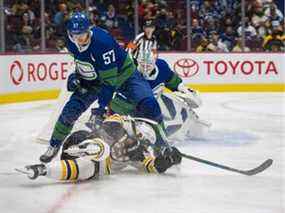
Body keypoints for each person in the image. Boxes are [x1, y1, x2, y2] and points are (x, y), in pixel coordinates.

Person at [39, 12, 166, 163]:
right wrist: (76, 76)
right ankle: (54, 145)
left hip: (124, 75)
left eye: (83, 35)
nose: (79, 39)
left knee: (149, 104)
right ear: (69, 34)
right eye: (75, 35)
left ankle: (163, 144)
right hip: (95, 78)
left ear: (89, 30)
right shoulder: (70, 42)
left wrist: (100, 109)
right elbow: (82, 61)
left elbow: (109, 82)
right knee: (70, 111)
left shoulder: (102, 43)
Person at [19, 114, 182, 181]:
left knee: (87, 169)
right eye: (137, 139)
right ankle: (86, 151)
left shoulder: (141, 152)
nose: (138, 144)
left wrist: (167, 161)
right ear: (135, 131)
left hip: (96, 164)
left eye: (143, 143)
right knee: (101, 148)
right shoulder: (122, 122)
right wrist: (120, 137)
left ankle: (43, 170)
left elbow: (151, 166)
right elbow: (107, 126)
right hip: (81, 141)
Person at [109, 51, 203, 138]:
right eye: (142, 65)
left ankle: (191, 122)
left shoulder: (161, 66)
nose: (145, 68)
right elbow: (115, 97)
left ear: (154, 63)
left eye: (148, 65)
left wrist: (183, 89)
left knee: (172, 100)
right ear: (137, 63)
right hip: (134, 109)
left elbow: (172, 80)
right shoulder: (129, 73)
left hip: (155, 103)